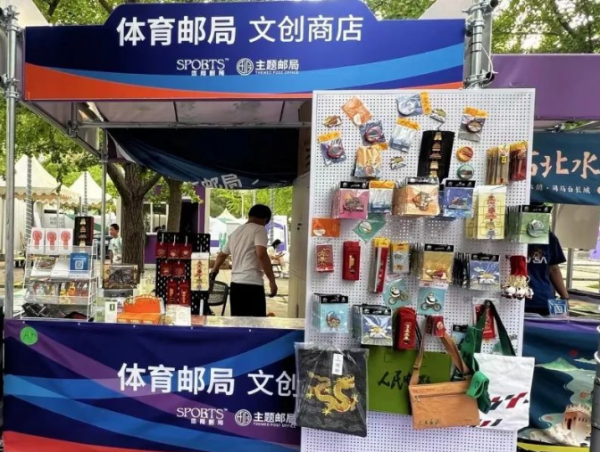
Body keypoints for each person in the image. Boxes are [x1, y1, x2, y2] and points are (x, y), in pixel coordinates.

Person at [211, 205, 277, 317]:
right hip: (253, 284)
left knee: (238, 323)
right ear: (265, 219)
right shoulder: (259, 229)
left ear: (250, 215)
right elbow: (261, 254)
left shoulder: (236, 232)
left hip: (236, 285)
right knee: (256, 323)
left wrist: (214, 271)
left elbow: (222, 255)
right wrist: (272, 281)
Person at [526, 230, 569, 315]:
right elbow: (554, 269)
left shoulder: (549, 236)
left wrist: (565, 297)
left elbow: (554, 269)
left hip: (544, 299)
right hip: (515, 297)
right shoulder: (508, 236)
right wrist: (565, 297)